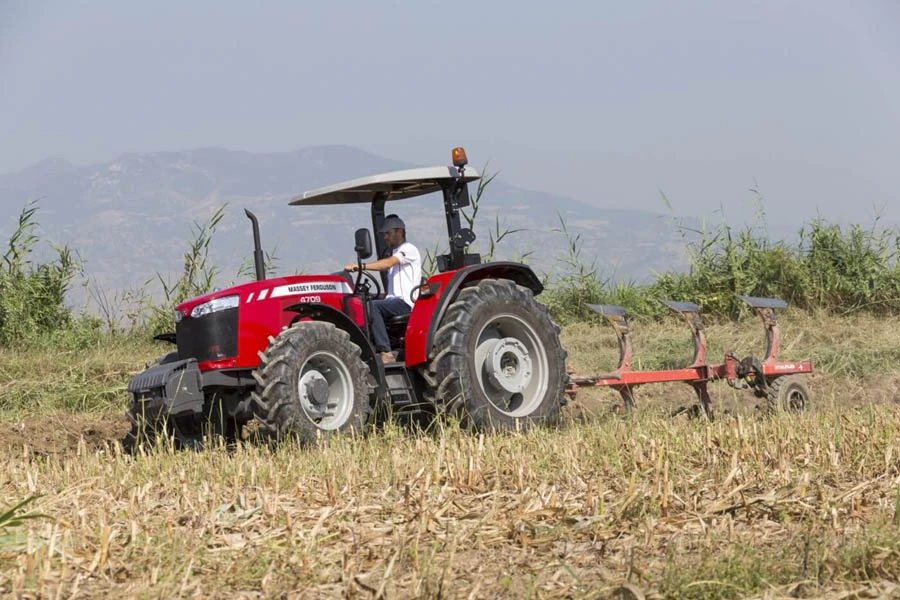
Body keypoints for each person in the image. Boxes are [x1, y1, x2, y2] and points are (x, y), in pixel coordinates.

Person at [344, 215, 421, 364]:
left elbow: (388, 264)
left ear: (399, 231)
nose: (385, 237)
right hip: (392, 300)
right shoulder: (393, 252)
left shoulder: (408, 249)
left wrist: (360, 267)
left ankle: (385, 352)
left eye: (388, 233)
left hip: (405, 303)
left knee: (372, 306)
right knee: (363, 302)